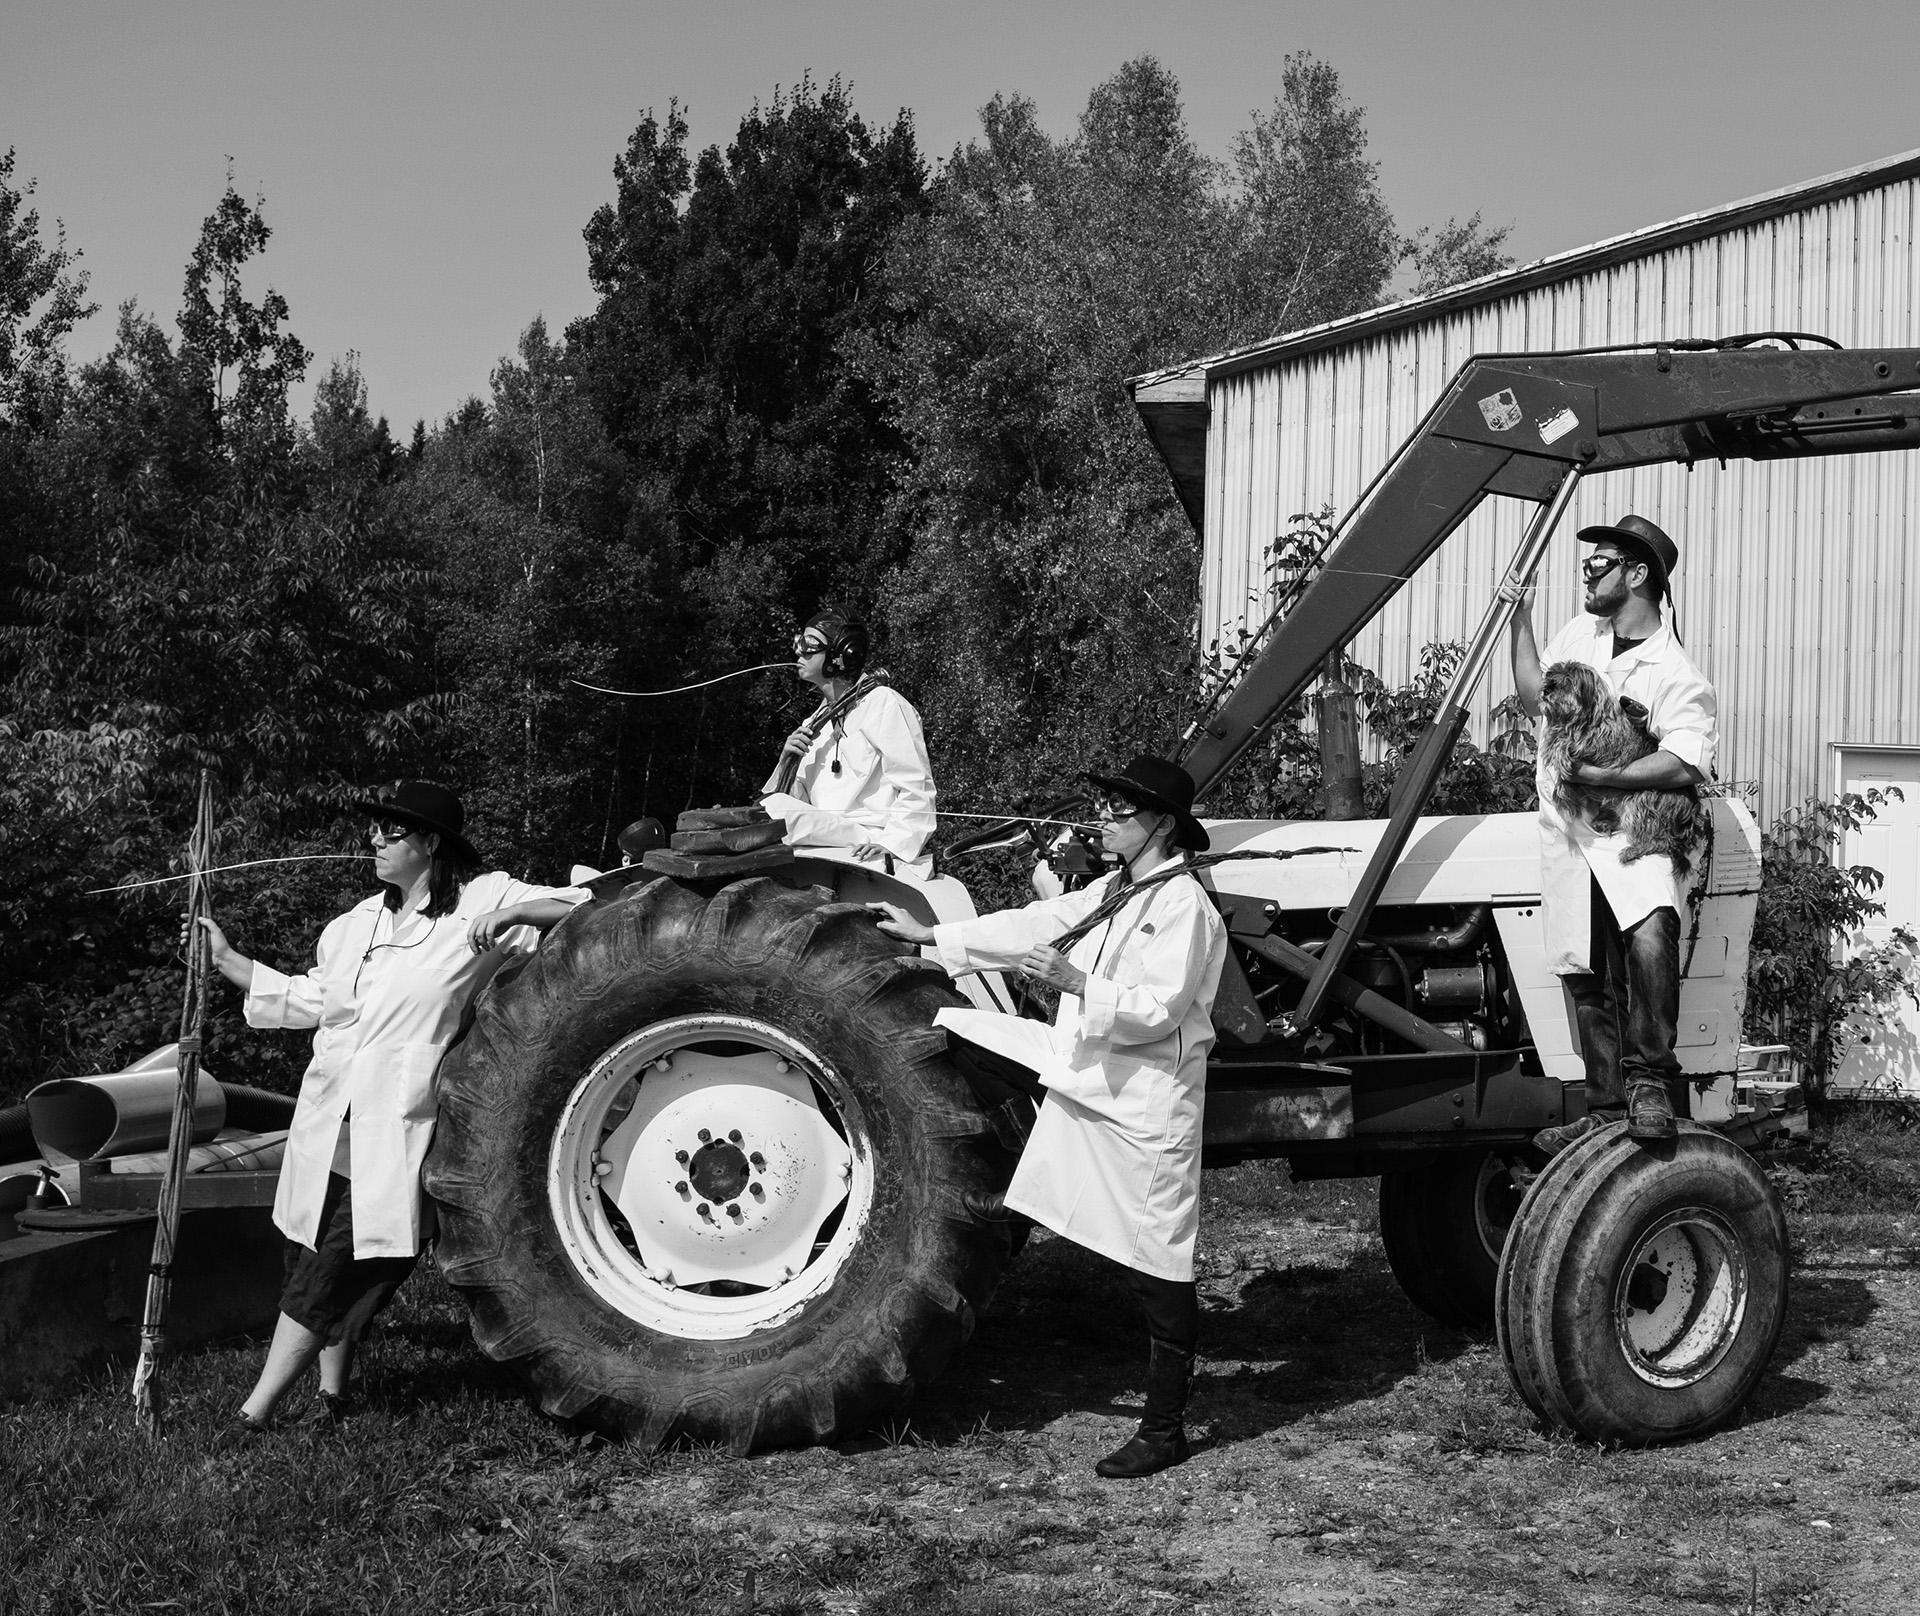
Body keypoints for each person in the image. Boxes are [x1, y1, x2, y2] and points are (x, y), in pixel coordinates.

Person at [874, 755, 1226, 1479]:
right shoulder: (1117, 888)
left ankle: (1164, 1430)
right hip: (1083, 1069)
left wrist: (1076, 982)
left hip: (1144, 1102)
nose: (1104, 818)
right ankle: (1024, 1167)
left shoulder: (1184, 904)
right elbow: (1037, 921)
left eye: (1120, 810)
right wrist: (930, 936)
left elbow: (1159, 1011)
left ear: (1162, 825)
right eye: (1106, 805)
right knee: (957, 1030)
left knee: (1159, 1266)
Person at [196, 782, 585, 1432]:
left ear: (430, 842)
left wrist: (521, 913)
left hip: (400, 1123)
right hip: (329, 1120)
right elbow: (313, 1001)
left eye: (391, 830)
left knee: (340, 1264)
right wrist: (227, 959)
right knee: (312, 1254)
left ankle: (253, 1414)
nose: (374, 839)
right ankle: (333, 1395)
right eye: (374, 829)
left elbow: (592, 901)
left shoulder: (484, 900)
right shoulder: (353, 925)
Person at [1505, 515, 1717, 1152]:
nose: (1587, 574)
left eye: (1599, 564)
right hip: (1567, 829)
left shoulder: (1675, 671)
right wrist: (1520, 618)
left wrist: (1603, 775)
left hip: (1631, 831)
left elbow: (1685, 761)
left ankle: (1650, 1082)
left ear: (1638, 574)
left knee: (1651, 933)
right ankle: (1603, 1107)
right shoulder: (1580, 634)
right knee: (1585, 970)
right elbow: (1535, 701)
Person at [760, 609, 938, 876]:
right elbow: (796, 802)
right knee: (763, 813)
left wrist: (893, 844)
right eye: (799, 642)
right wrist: (786, 762)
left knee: (772, 811)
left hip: (870, 837)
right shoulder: (812, 723)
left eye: (809, 644)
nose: (798, 651)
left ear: (842, 654)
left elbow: (917, 785)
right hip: (825, 841)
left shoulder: (883, 703)